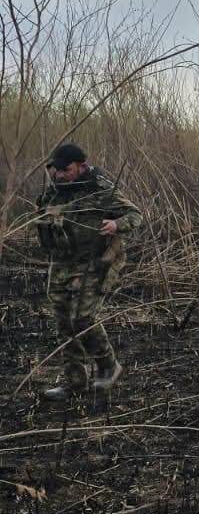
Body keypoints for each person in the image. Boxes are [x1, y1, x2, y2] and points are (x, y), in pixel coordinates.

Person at [34, 143, 142, 398]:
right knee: (63, 321)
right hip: (61, 262)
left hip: (93, 262)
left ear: (82, 166)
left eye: (66, 170)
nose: (60, 175)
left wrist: (116, 224)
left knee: (83, 319)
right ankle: (75, 381)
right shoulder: (53, 192)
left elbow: (135, 215)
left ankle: (109, 365)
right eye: (56, 170)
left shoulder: (101, 189)